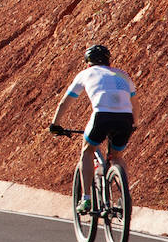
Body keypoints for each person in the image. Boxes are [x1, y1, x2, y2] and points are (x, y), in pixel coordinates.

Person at [49, 44, 137, 213]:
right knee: (117, 157)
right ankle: (124, 198)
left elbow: (65, 102)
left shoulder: (85, 74)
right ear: (108, 61)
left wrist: (55, 124)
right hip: (125, 118)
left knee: (87, 151)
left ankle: (86, 198)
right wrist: (134, 124)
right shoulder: (123, 74)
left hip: (101, 116)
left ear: (88, 63)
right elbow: (135, 104)